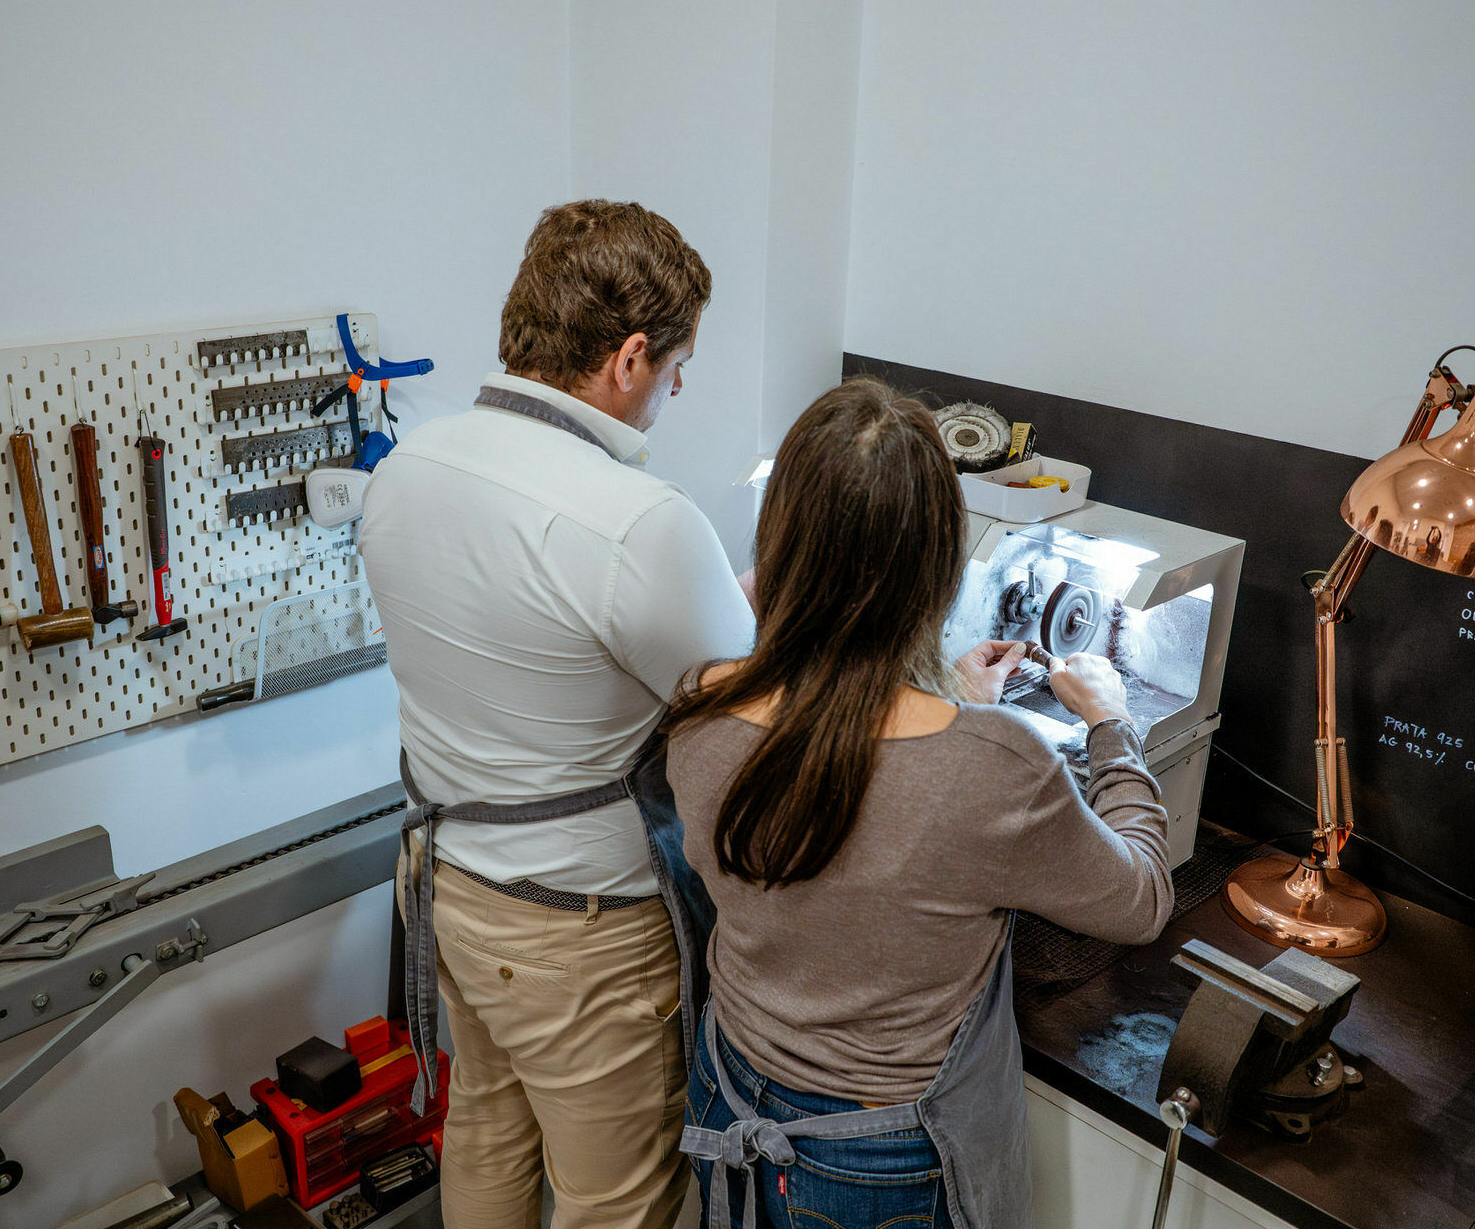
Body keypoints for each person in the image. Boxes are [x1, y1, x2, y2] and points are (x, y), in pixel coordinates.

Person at [664, 379, 1174, 1229]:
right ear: (938, 560)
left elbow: (835, 756)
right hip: (879, 1157)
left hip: (728, 1094)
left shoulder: (701, 706)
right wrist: (1113, 727)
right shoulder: (994, 762)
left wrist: (947, 697)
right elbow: (1142, 897)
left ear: (780, 539)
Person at [359, 199, 756, 1229]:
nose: (673, 393)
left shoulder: (408, 468)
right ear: (629, 356)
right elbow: (752, 709)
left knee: (486, 1136)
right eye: (674, 371)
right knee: (615, 1204)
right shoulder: (640, 522)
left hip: (449, 890)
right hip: (581, 942)